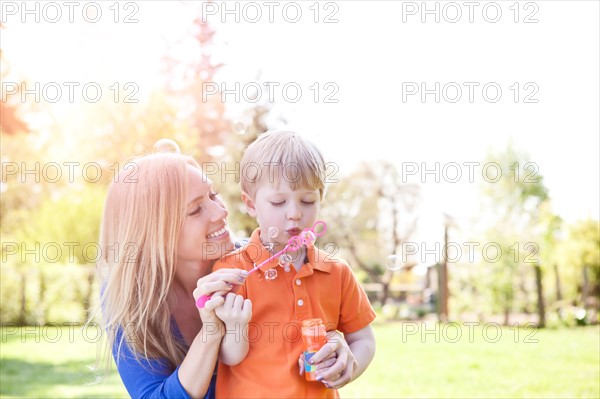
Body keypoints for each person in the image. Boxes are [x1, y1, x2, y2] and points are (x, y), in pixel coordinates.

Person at [95, 141, 354, 399]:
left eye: (213, 194)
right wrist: (212, 332)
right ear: (154, 234)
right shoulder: (128, 300)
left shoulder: (254, 261)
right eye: (196, 209)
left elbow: (302, 323)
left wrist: (335, 344)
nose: (221, 211)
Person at [213, 131, 377, 398]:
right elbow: (228, 357)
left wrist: (350, 365)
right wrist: (235, 326)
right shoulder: (232, 272)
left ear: (320, 199)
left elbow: (363, 339)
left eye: (308, 200)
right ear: (250, 204)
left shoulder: (337, 272)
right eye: (278, 202)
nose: (295, 213)